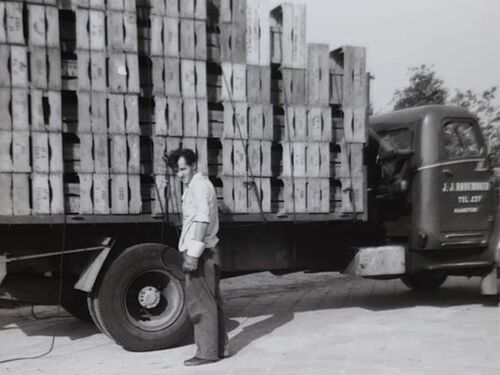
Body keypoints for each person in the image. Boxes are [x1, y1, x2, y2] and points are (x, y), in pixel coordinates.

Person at [166, 148, 228, 366]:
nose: (179, 174)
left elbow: (201, 219)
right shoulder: (199, 185)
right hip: (207, 250)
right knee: (212, 300)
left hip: (201, 252)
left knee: (200, 302)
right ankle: (220, 349)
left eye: (182, 169)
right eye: (176, 171)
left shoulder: (198, 186)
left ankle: (206, 353)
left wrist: (192, 255)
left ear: (193, 165)